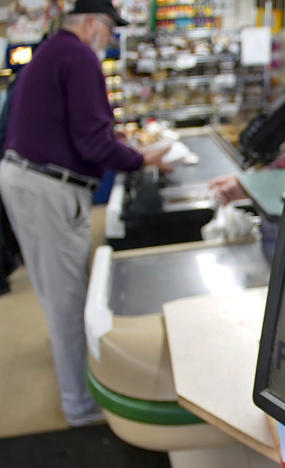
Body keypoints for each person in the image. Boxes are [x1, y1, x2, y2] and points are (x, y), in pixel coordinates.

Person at [0, 0, 171, 426]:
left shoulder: (52, 50)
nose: (111, 39)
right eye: (111, 31)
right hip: (46, 187)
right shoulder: (79, 56)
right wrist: (143, 159)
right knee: (68, 300)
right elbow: (95, 143)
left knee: (58, 290)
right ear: (93, 23)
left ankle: (73, 381)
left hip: (29, 178)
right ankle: (79, 407)